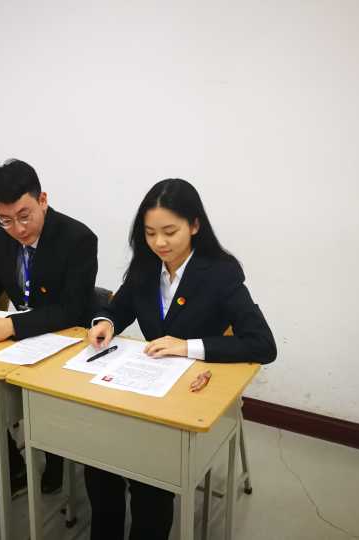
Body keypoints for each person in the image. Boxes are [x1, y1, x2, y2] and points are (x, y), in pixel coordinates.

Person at [85, 178, 276, 540]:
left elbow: (263, 344)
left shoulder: (220, 273)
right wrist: (105, 322)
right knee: (98, 461)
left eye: (170, 232)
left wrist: (187, 346)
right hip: (144, 383)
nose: (159, 243)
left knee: (149, 481)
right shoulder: (146, 265)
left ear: (194, 225)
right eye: (150, 233)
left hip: (191, 392)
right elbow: (119, 307)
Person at [0, 158, 98, 515]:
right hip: (19, 342)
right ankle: (10, 474)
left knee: (48, 404)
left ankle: (56, 461)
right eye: (5, 219)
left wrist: (13, 326)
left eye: (24, 216)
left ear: (42, 199)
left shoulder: (78, 238)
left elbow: (72, 309)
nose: (18, 228)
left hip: (66, 340)